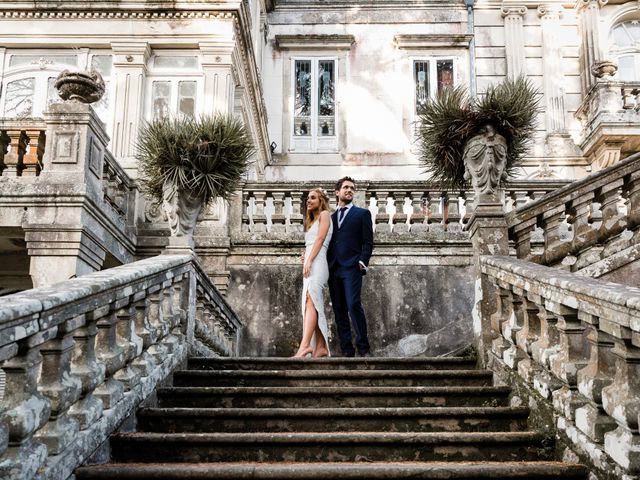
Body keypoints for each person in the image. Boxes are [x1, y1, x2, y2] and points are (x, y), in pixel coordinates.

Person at [327, 177, 374, 357]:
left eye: (352, 188)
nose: (349, 190)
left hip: (352, 267)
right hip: (333, 268)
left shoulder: (362, 214)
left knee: (354, 304)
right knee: (339, 309)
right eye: (346, 187)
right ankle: (347, 349)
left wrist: (363, 261)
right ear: (337, 192)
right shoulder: (329, 218)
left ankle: (364, 347)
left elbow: (368, 242)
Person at [293, 188, 333, 358]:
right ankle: (321, 346)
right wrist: (305, 256)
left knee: (311, 301)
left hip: (318, 264)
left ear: (321, 200)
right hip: (311, 263)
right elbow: (312, 242)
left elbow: (321, 239)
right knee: (312, 302)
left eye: (312, 198)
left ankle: (304, 346)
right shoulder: (311, 221)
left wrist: (309, 260)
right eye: (307, 198)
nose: (308, 201)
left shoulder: (325, 214)